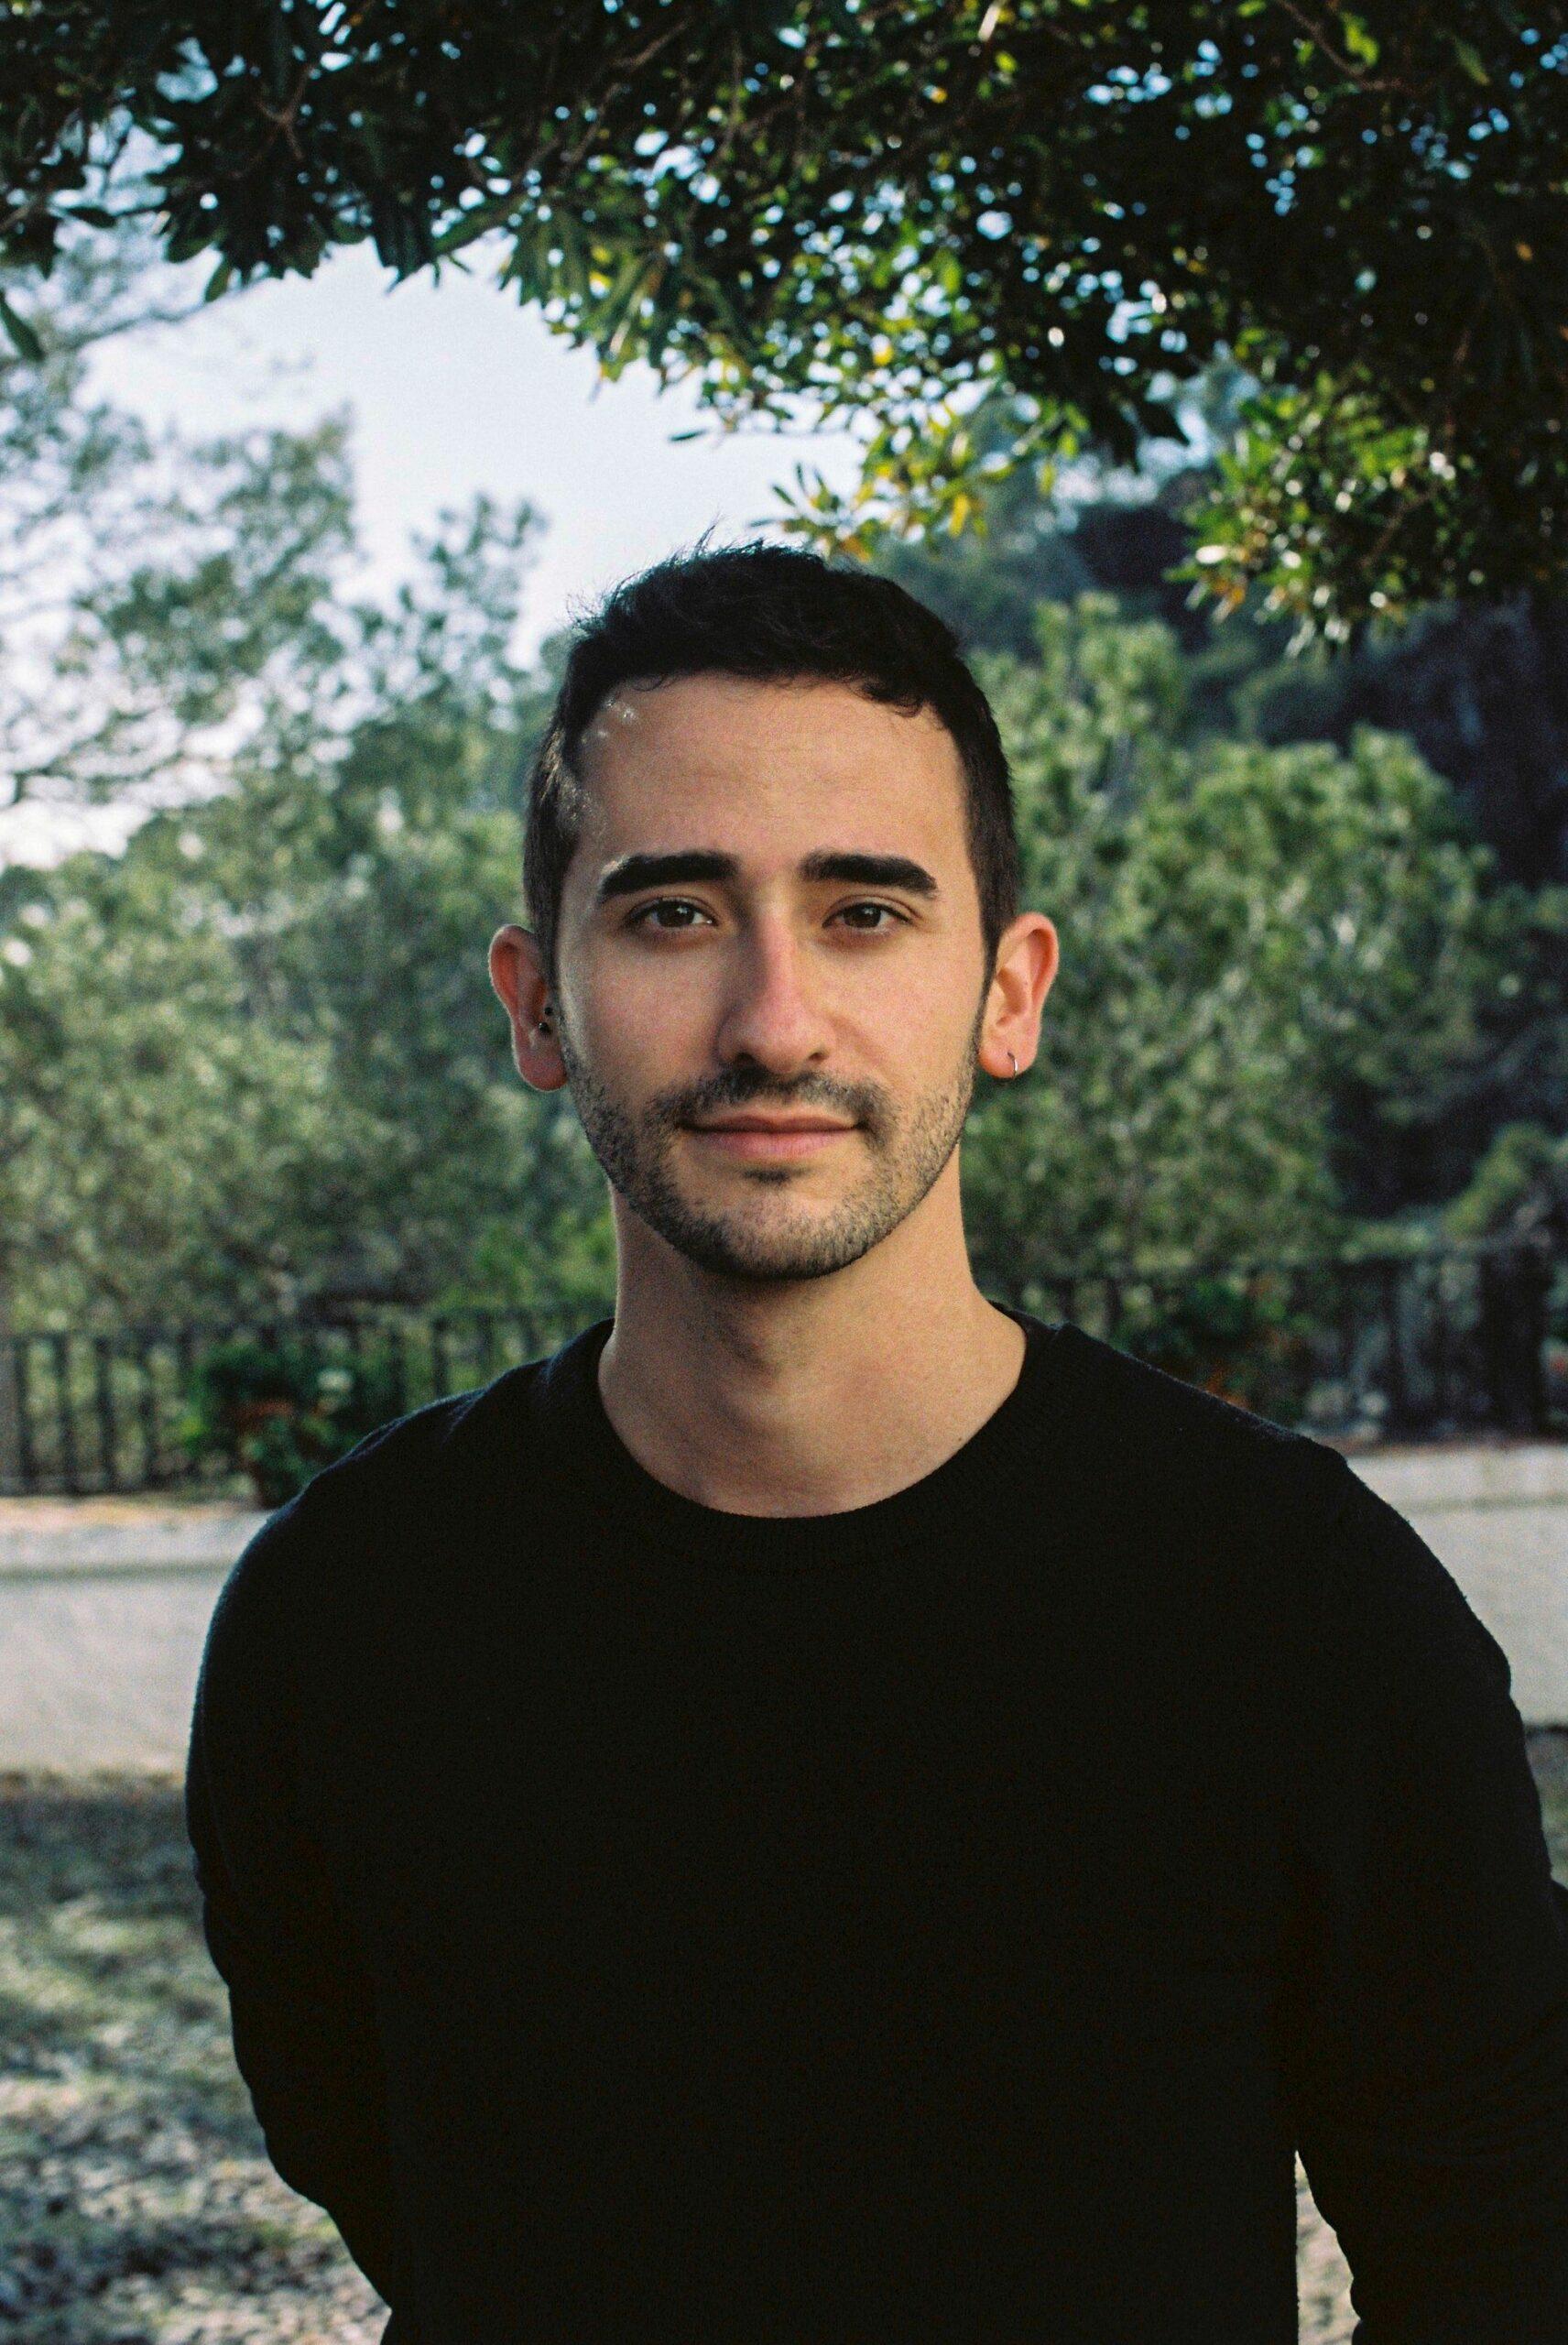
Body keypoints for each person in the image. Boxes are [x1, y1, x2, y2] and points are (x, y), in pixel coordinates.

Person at [186, 542, 1568, 2344]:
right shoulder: (345, 1612)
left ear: (1008, 992)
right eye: (674, 914)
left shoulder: (1295, 1602)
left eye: (864, 911)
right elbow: (369, 2161)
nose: (775, 1021)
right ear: (537, 1003)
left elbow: (1501, 2246)